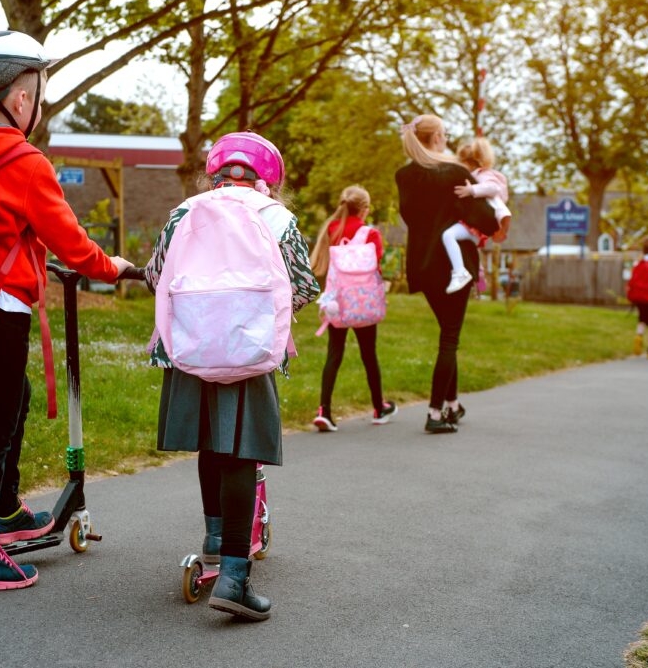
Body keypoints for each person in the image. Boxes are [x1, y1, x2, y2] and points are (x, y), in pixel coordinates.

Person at [0, 31, 133, 594]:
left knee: (12, 397)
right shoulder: (23, 162)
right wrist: (112, 267)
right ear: (22, 101)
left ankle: (5, 510)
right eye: (39, 92)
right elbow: (73, 246)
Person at [144, 132, 319, 621]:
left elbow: (157, 274)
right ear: (270, 178)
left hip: (192, 349)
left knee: (210, 444)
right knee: (242, 452)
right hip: (250, 350)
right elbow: (303, 287)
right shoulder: (278, 218)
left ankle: (216, 539)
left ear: (214, 171)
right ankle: (236, 577)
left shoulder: (184, 212)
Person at [394, 114, 497, 433]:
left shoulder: (405, 176)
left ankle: (452, 404)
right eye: (446, 133)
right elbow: (488, 221)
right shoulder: (454, 173)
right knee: (449, 338)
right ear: (437, 137)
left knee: (446, 333)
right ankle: (435, 412)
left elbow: (410, 217)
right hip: (455, 268)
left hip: (422, 266)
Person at [308, 184, 397, 432]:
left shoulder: (332, 229)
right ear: (365, 209)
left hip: (337, 303)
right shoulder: (371, 234)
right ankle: (379, 407)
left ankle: (324, 410)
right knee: (369, 355)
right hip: (363, 304)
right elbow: (375, 269)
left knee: (333, 354)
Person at [443, 137, 513, 293]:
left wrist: (472, 190)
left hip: (478, 225)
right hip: (476, 225)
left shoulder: (482, 175)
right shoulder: (473, 176)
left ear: (468, 163)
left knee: (448, 236)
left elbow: (493, 188)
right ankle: (478, 272)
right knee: (469, 247)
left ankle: (460, 272)